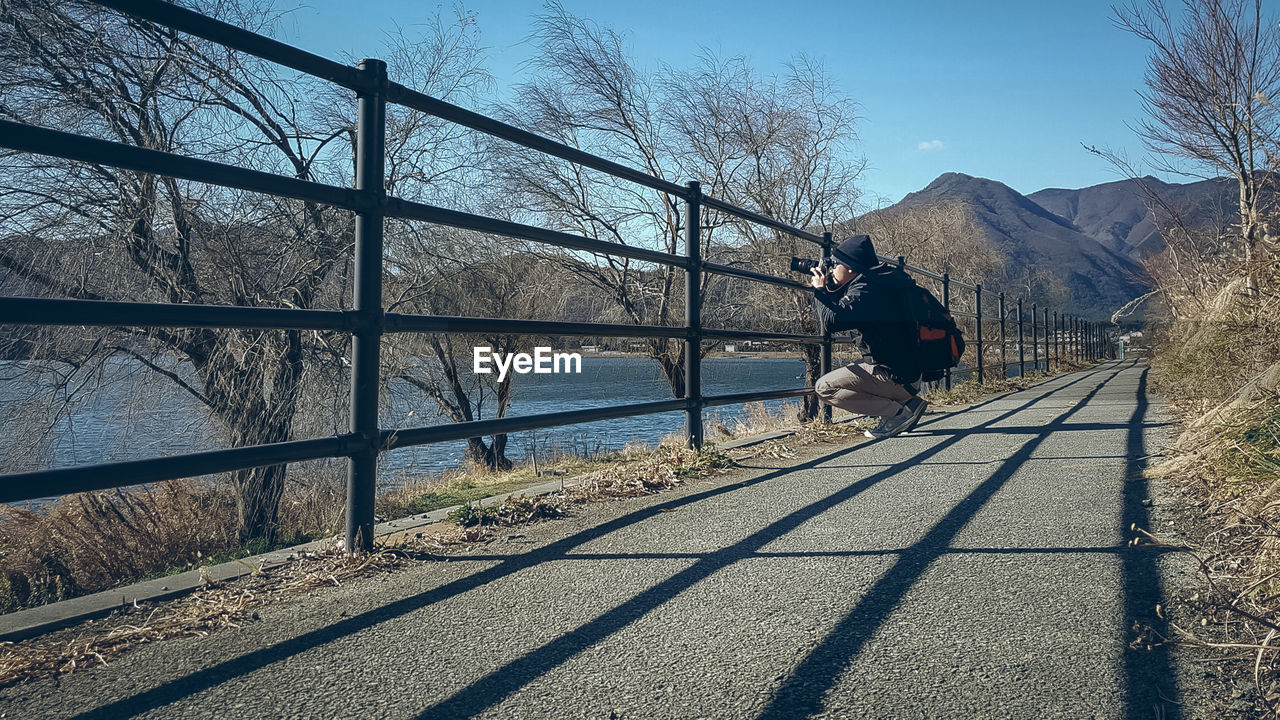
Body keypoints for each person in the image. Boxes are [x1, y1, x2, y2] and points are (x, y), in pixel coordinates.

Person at [809, 234, 928, 439]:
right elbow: (846, 309)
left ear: (850, 268)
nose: (832, 268)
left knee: (824, 387)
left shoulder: (865, 291)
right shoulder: (881, 283)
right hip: (909, 376)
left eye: (836, 264)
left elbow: (831, 323)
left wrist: (820, 290)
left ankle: (897, 413)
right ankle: (906, 403)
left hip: (893, 375)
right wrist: (830, 288)